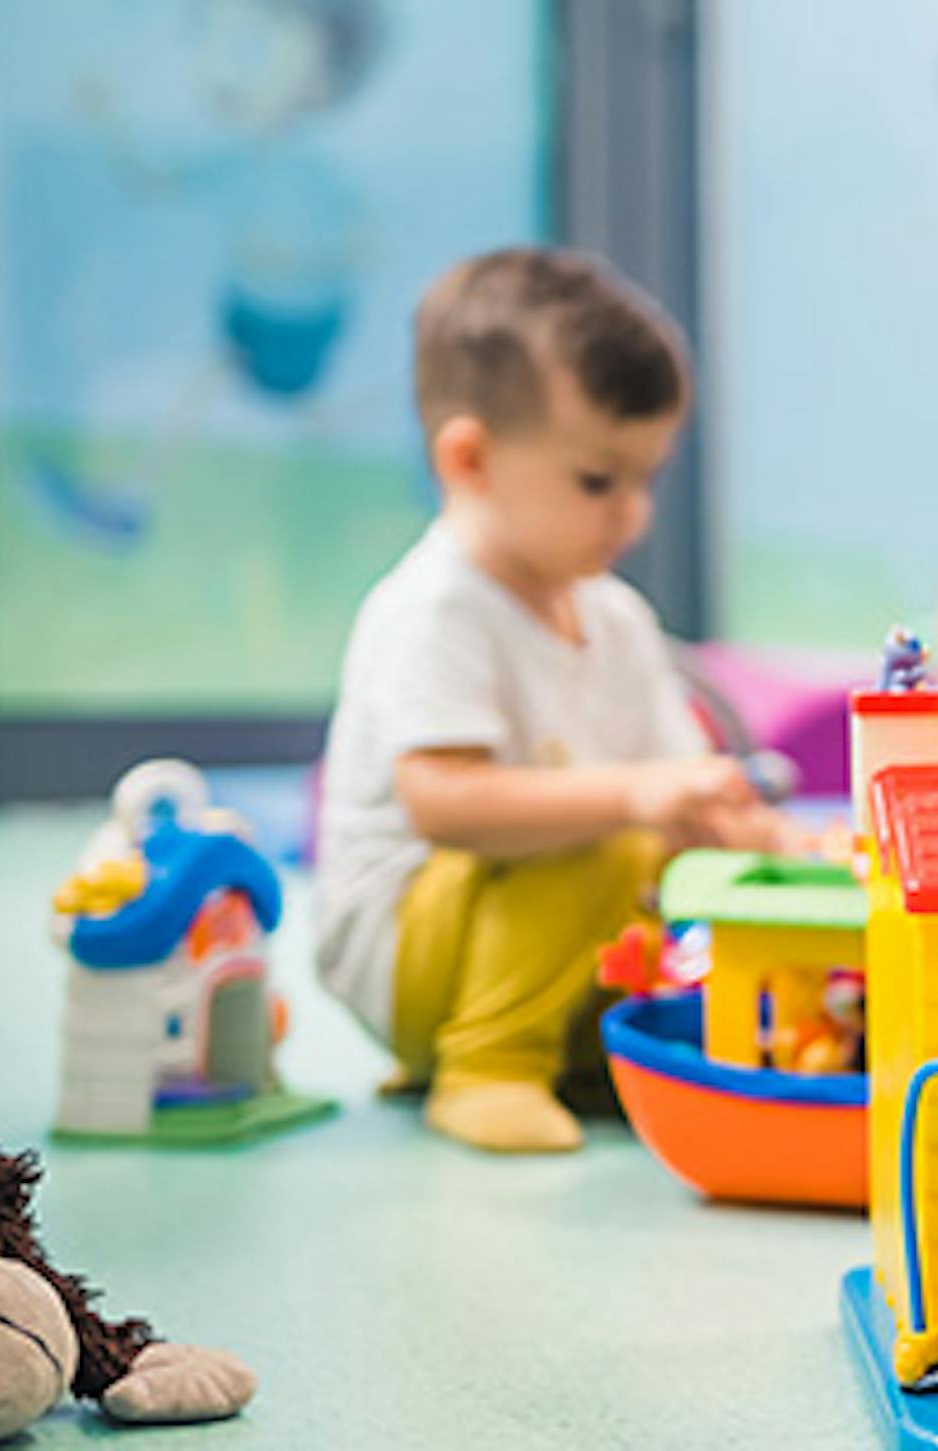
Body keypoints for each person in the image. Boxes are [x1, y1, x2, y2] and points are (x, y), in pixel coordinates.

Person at [314, 249, 804, 1154]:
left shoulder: (614, 617)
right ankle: (487, 1061)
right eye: (597, 480)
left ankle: (580, 1052)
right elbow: (444, 801)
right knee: (604, 834)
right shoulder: (438, 606)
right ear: (470, 459)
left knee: (660, 866)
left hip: (529, 929)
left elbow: (682, 796)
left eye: (646, 478)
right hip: (405, 950)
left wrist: (785, 848)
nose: (634, 513)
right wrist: (635, 797)